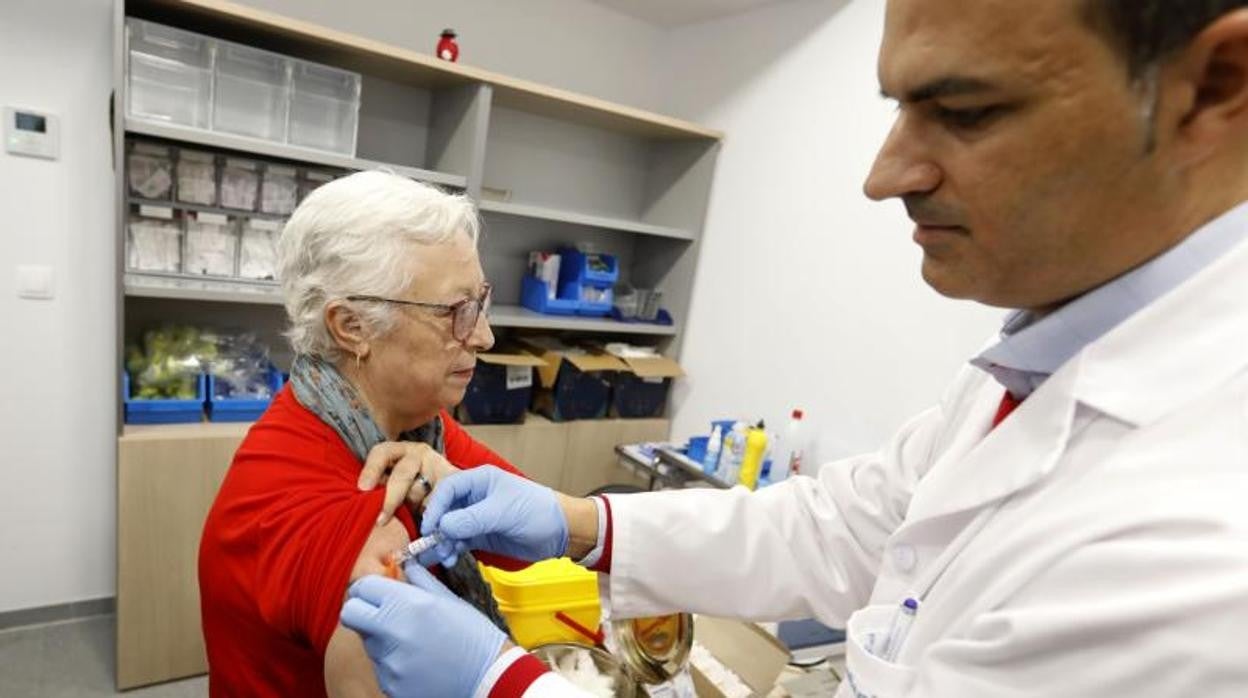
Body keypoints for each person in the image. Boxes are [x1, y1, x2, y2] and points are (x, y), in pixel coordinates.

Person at [341, 1, 1248, 696]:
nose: (885, 175)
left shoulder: (1204, 552)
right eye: (899, 107)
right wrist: (585, 523)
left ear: (1216, 86)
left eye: (965, 110)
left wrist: (501, 685)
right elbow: (843, 527)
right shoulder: (1045, 353)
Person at [198, 170, 535, 697]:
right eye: (456, 312)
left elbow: (532, 542)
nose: (484, 336)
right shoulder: (346, 528)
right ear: (352, 327)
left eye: (481, 303)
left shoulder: (414, 428)